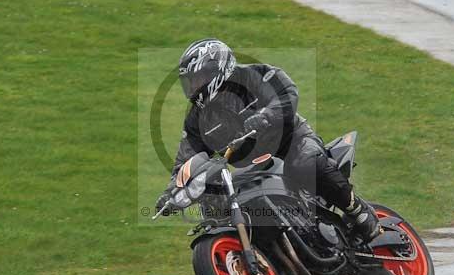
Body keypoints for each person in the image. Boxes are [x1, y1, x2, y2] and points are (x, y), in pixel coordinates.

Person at [155, 38, 381, 245]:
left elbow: (287, 93)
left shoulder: (252, 77)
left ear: (217, 70)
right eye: (189, 82)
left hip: (292, 141)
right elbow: (186, 158)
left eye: (197, 79)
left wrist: (265, 117)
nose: (192, 87)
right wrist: (171, 192)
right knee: (215, 199)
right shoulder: (197, 118)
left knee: (305, 163)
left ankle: (358, 211)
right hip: (255, 165)